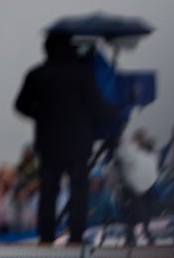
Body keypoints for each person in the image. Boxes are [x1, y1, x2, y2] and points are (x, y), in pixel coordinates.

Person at [12, 29, 106, 245]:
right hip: (78, 142)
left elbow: (20, 105)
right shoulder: (83, 75)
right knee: (78, 192)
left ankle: (46, 236)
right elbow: (97, 106)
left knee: (48, 192)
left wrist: (40, 114)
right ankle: (76, 236)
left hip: (49, 143)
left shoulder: (36, 74)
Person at [114, 128, 161, 247]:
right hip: (132, 186)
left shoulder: (146, 150)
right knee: (135, 211)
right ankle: (133, 235)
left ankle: (142, 234)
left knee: (143, 211)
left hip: (145, 185)